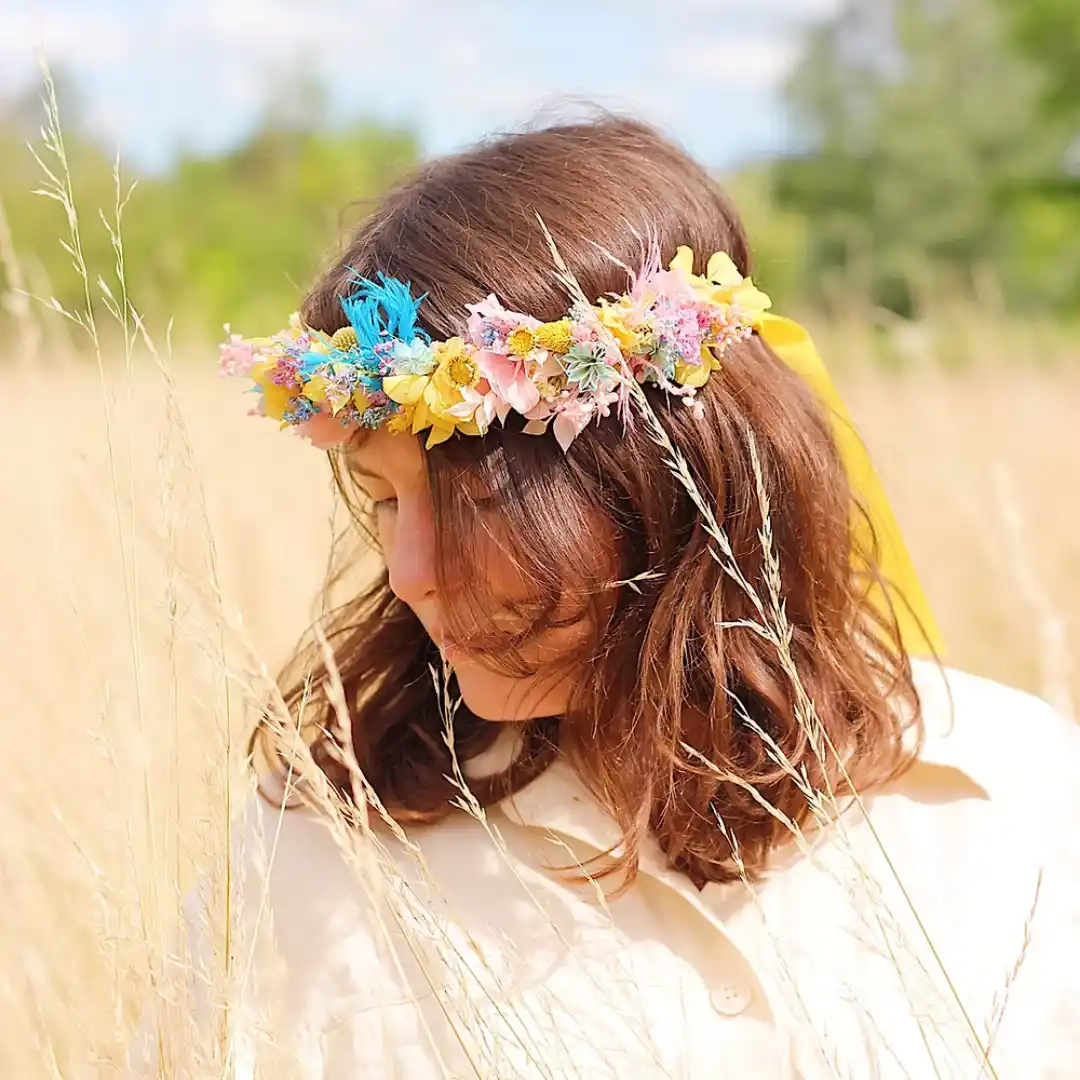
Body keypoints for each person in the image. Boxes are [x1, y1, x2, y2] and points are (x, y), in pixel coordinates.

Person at [138, 116, 1080, 1079]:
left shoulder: (1013, 791)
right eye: (382, 499)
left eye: (475, 499)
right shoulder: (309, 864)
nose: (411, 572)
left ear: (671, 479)